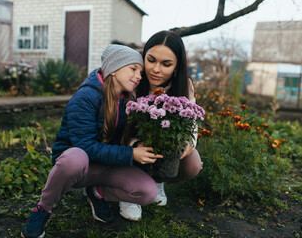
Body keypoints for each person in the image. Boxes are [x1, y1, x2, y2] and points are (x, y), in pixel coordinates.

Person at [21, 44, 164, 238]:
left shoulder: (128, 100)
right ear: (113, 70)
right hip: (80, 166)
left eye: (140, 71)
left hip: (106, 166)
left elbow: (127, 137)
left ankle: (97, 191)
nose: (139, 75)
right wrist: (130, 154)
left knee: (147, 192)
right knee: (75, 157)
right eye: (133, 69)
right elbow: (85, 147)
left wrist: (138, 143)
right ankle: (42, 209)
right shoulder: (85, 97)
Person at [119, 30, 203, 221]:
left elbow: (191, 123)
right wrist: (132, 145)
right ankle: (128, 188)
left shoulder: (184, 86)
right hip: (128, 145)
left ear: (177, 67)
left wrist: (190, 141)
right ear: (143, 57)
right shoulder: (132, 80)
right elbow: (116, 125)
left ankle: (158, 180)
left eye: (166, 64)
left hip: (165, 144)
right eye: (151, 60)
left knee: (193, 163)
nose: (156, 69)